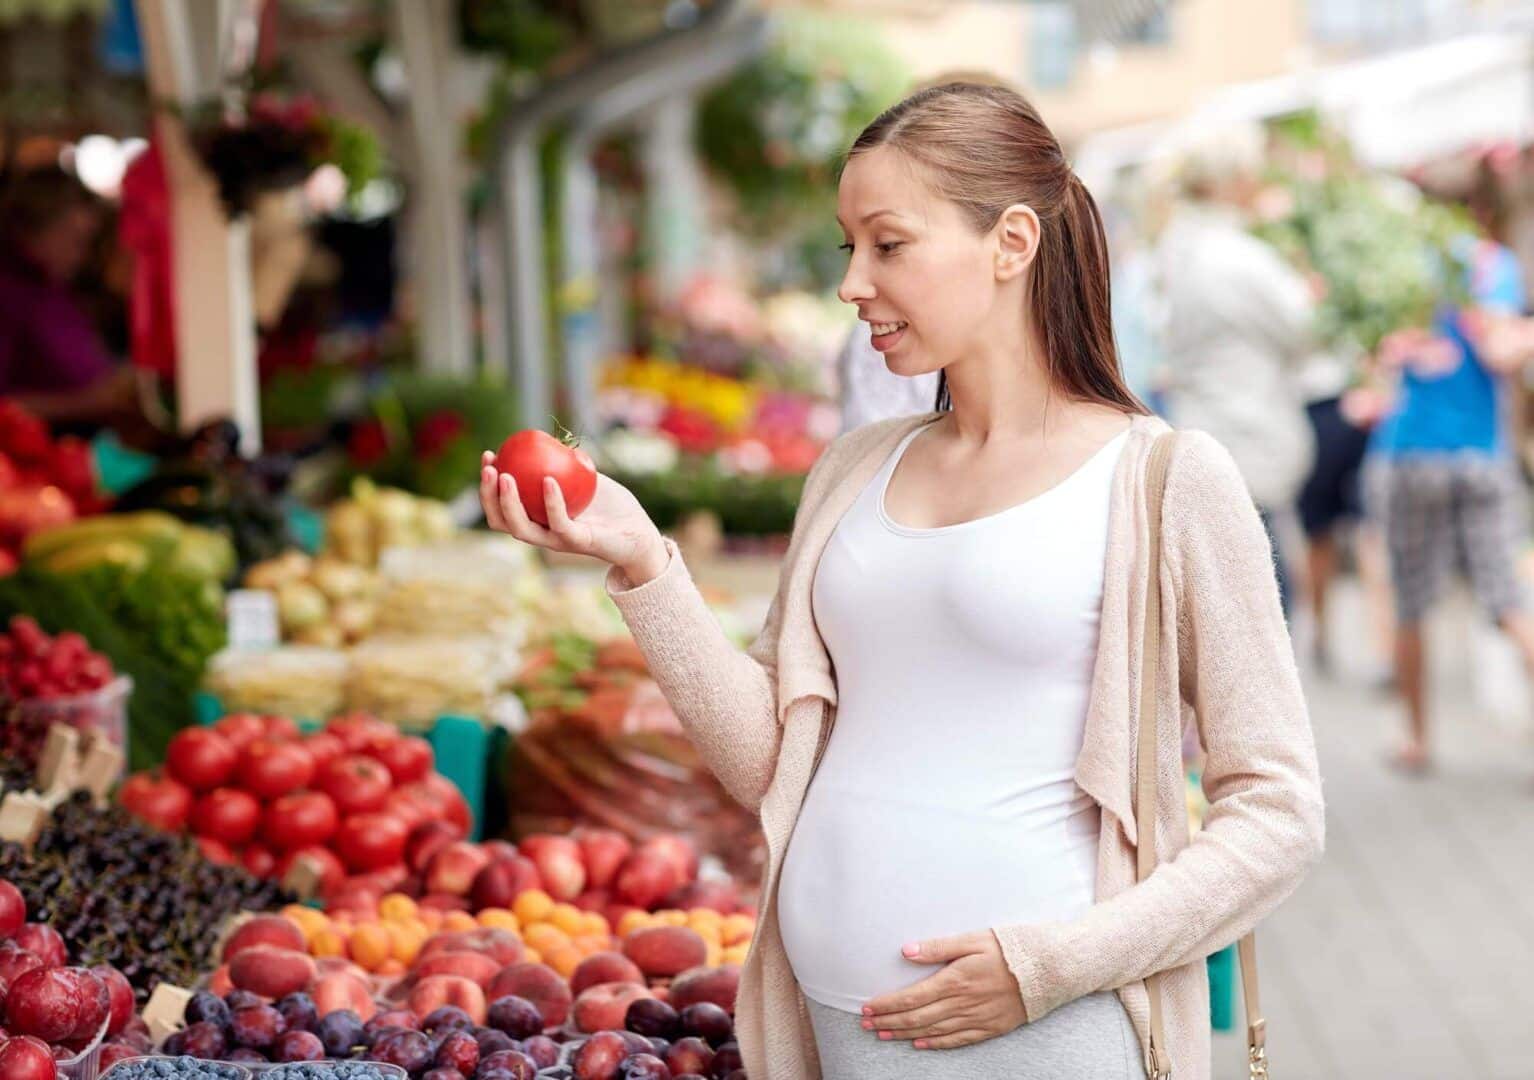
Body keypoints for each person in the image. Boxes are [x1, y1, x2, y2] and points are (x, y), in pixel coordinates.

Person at [480, 83, 1323, 1080]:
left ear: (1011, 244)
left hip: (1044, 1038)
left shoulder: (1165, 480)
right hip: (834, 1028)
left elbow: (1277, 809)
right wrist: (643, 561)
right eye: (848, 248)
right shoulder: (854, 470)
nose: (852, 284)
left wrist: (1054, 964)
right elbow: (772, 763)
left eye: (888, 244)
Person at [1364, 234, 1534, 772]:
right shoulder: (1491, 264)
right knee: (1507, 601)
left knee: (1411, 602)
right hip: (1480, 454)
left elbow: (1377, 352)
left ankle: (1416, 740)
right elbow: (1500, 353)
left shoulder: (1398, 257)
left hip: (1411, 451)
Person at [1154, 122, 1317, 615]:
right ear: (1232, 180)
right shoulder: (1238, 258)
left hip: (1205, 432)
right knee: (1265, 605)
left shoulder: (1174, 250)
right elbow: (1306, 330)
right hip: (1247, 441)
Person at [0, 166, 138, 424]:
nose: (82, 256)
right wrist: (87, 403)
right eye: (77, 241)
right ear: (36, 229)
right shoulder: (8, 294)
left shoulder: (53, 287)